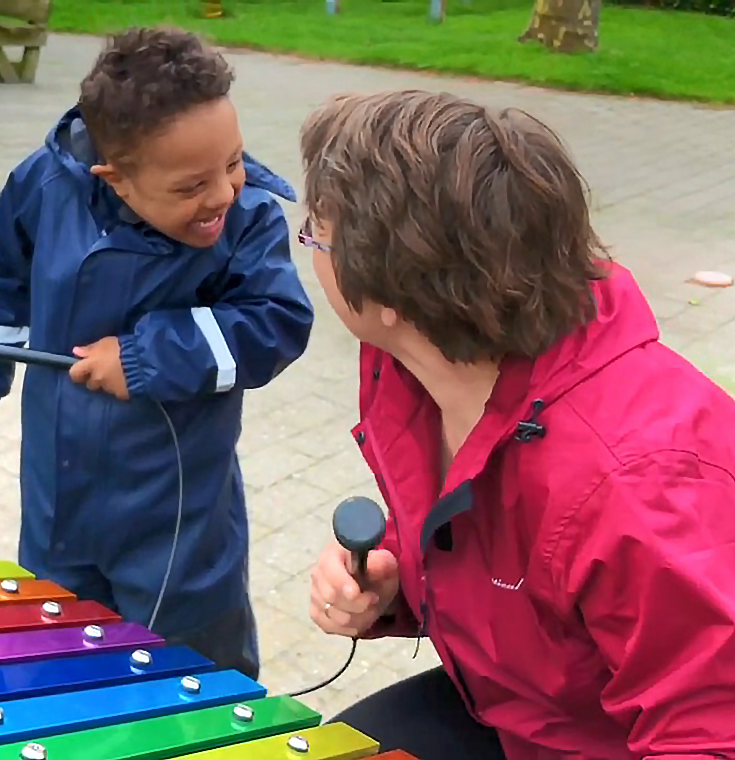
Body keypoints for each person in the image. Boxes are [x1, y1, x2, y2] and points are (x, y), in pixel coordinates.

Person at [297, 90, 735, 759]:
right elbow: (509, 549)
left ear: (386, 293)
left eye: (315, 235)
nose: (309, 249)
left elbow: (708, 736)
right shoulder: (412, 373)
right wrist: (395, 579)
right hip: (518, 712)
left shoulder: (639, 482)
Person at [0, 27, 314, 680]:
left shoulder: (246, 218)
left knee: (190, 662)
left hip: (177, 507)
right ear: (114, 179)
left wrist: (145, 356)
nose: (224, 192)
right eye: (193, 184)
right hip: (57, 486)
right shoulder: (44, 184)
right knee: (59, 639)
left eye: (235, 161)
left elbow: (276, 323)